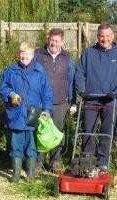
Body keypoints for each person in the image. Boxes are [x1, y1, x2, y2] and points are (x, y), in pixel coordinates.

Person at [75, 23, 117, 172]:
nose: (104, 39)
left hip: (110, 100)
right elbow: (79, 73)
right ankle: (88, 160)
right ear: (97, 36)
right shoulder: (88, 53)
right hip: (91, 98)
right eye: (101, 36)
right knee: (88, 130)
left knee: (107, 131)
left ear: (112, 37)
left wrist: (116, 92)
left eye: (107, 36)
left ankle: (103, 161)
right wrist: (82, 90)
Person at [0, 42, 53, 182]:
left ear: (33, 55)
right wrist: (10, 94)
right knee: (16, 146)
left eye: (27, 54)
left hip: (32, 117)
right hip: (16, 116)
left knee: (31, 147)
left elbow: (47, 92)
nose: (24, 56)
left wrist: (47, 110)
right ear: (18, 54)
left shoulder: (40, 71)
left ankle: (30, 175)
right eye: (22, 53)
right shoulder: (10, 71)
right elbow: (2, 87)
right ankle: (16, 174)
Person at [34, 28, 76, 173]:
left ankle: (55, 161)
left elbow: (71, 81)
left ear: (62, 42)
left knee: (57, 132)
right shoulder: (38, 54)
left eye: (56, 41)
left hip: (60, 101)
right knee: (41, 131)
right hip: (41, 101)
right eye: (51, 40)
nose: (53, 43)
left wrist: (72, 102)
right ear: (48, 39)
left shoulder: (67, 57)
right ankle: (38, 162)